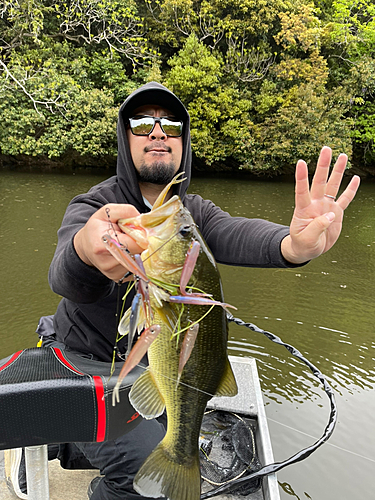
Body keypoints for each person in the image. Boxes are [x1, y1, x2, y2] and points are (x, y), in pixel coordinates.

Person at [43, 82, 360, 499]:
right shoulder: (94, 206)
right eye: (142, 124)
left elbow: (237, 233)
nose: (158, 132)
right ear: (125, 139)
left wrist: (293, 246)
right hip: (81, 363)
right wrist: (85, 249)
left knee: (170, 441)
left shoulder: (190, 215)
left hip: (153, 371)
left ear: (183, 141)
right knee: (140, 477)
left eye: (171, 124)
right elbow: (65, 280)